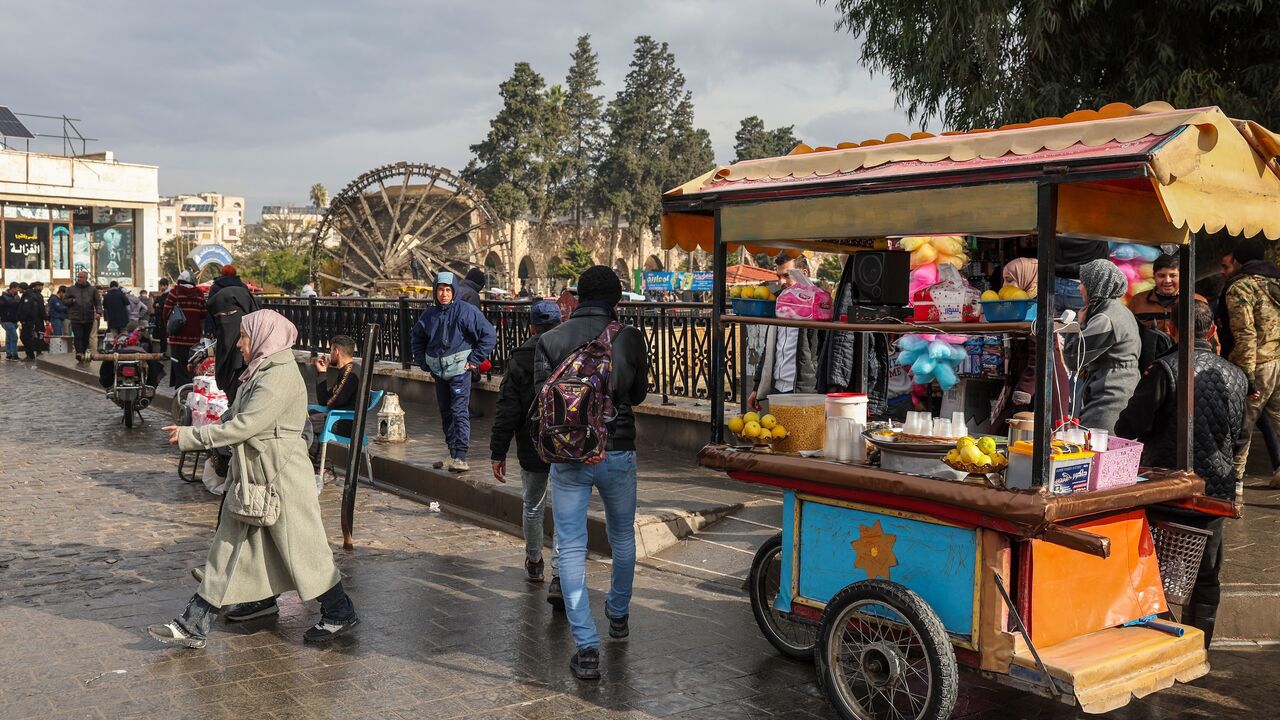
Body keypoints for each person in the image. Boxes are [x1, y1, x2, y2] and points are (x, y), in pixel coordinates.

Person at [150, 310, 358, 649]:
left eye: (245, 337)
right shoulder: (262, 370)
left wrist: (194, 436)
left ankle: (339, 610)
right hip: (255, 478)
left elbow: (246, 425)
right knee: (228, 550)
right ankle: (195, 624)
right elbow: (242, 416)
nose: (241, 344)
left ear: (263, 336)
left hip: (281, 480)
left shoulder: (277, 375)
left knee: (305, 552)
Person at [533, 265, 648, 681]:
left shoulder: (549, 340)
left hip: (568, 457)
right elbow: (638, 394)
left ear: (577, 297)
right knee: (621, 538)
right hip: (618, 451)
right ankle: (618, 614)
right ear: (617, 299)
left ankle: (585, 649)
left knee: (571, 546)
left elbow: (540, 402)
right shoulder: (629, 337)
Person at [1115, 297, 1246, 647]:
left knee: (1151, 572)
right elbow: (1241, 437)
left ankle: (1154, 643)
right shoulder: (1235, 375)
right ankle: (1200, 647)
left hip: (1167, 491)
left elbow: (1129, 425)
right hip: (1213, 493)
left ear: (1171, 329)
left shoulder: (1164, 369)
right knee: (1206, 578)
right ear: (1214, 330)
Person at [491, 300, 562, 599]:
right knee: (564, 509)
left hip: (532, 442)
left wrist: (498, 451)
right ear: (561, 323)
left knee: (533, 504)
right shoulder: (570, 352)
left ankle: (535, 561)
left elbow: (508, 408)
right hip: (567, 443)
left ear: (531, 327)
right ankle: (561, 572)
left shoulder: (520, 357)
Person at [410, 271, 496, 473]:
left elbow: (489, 335)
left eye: (448, 290)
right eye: (440, 289)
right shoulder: (429, 315)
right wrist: (424, 363)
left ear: (454, 291)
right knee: (446, 411)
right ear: (435, 291)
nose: (444, 294)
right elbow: (417, 338)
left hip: (459, 370)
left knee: (459, 412)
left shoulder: (466, 311)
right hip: (439, 371)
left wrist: (474, 361)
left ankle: (461, 456)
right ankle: (452, 453)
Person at [1223, 238, 1280, 484]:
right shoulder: (1276, 283)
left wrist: (1247, 376)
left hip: (1257, 365)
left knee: (1240, 428)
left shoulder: (1242, 287)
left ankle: (1232, 489)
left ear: (1237, 260)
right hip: (1278, 361)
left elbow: (1245, 334)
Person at [989, 258, 1070, 432]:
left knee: (1041, 440)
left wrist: (1024, 389)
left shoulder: (1039, 308)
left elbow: (1041, 356)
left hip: (1043, 383)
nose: (1004, 286)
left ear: (1029, 279)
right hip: (1025, 381)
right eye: (1003, 280)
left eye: (1010, 280)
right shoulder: (1021, 306)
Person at [1063, 259, 1142, 433]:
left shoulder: (1106, 319)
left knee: (1098, 452)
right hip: (1117, 389)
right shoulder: (1118, 311)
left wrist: (1078, 324)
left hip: (1109, 398)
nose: (1079, 288)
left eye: (1083, 283)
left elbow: (1073, 358)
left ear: (1096, 285)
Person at [747, 252, 821, 412]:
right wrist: (757, 387)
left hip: (803, 391)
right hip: (777, 389)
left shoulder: (818, 305)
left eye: (787, 276)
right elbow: (770, 347)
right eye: (778, 276)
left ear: (804, 274)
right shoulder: (779, 301)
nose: (781, 282)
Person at [206, 265, 260, 402]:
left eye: (230, 314)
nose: (224, 319)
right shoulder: (242, 287)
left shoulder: (261, 351)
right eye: (220, 315)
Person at [310, 334, 360, 461]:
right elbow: (325, 401)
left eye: (331, 350)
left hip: (347, 421)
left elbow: (335, 401)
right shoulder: (345, 370)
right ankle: (320, 466)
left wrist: (328, 403)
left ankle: (324, 467)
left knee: (306, 423)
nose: (330, 354)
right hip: (337, 416)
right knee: (306, 415)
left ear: (336, 351)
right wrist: (322, 373)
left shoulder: (351, 371)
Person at [163, 271, 209, 388]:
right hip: (194, 337)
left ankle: (181, 389)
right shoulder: (199, 293)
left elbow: (165, 313)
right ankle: (191, 386)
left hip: (177, 337)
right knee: (192, 363)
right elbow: (204, 314)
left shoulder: (175, 292)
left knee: (178, 364)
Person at [1053, 237, 1110, 311]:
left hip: (1054, 281)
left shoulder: (1059, 227)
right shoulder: (1099, 229)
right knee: (1081, 321)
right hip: (1084, 286)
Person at [64, 271, 102, 361]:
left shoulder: (92, 290)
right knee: (78, 336)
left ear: (86, 278)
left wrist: (99, 312)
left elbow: (98, 303)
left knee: (86, 337)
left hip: (89, 318)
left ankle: (83, 352)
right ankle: (79, 353)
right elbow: (65, 301)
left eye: (82, 277)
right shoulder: (71, 289)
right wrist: (72, 300)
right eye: (79, 277)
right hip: (76, 318)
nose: (79, 279)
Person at [17, 281, 48, 360]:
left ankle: (31, 355)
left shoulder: (29, 296)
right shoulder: (32, 295)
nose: (18, 290)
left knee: (27, 337)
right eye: (40, 286)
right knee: (33, 337)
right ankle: (35, 352)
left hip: (30, 321)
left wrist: (23, 319)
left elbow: (27, 309)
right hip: (33, 321)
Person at [0, 282, 21, 360]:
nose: (18, 290)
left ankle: (8, 354)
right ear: (12, 288)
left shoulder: (16, 297)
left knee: (9, 337)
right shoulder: (4, 297)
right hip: (6, 320)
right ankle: (14, 354)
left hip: (14, 321)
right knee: (14, 337)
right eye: (17, 288)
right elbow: (11, 303)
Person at [152, 278, 171, 352]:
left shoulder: (168, 294)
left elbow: (163, 305)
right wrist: (157, 304)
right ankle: (163, 351)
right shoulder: (161, 294)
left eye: (163, 286)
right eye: (160, 286)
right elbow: (154, 304)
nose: (161, 288)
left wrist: (159, 303)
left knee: (163, 336)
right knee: (161, 336)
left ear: (166, 285)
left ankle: (163, 351)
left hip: (164, 318)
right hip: (159, 318)